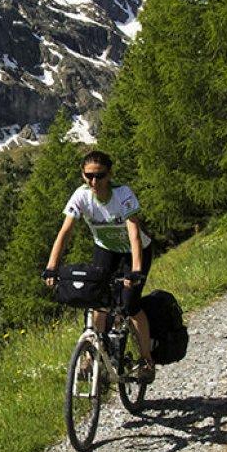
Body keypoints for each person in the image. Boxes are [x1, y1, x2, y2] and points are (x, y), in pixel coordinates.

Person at [42, 149, 156, 382]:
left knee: (130, 303)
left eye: (100, 175)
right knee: (97, 299)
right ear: (83, 175)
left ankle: (146, 361)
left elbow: (134, 232)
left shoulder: (122, 194)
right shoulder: (81, 196)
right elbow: (65, 232)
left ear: (110, 174)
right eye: (89, 176)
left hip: (134, 251)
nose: (94, 181)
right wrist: (51, 267)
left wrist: (135, 271)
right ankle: (94, 358)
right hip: (105, 249)